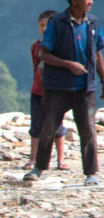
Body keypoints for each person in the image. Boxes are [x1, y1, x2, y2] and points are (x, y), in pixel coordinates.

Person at [24, 0, 103, 185]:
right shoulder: (57, 23)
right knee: (48, 128)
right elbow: (44, 54)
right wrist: (68, 65)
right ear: (74, 1)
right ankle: (39, 168)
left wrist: (103, 79)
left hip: (85, 87)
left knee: (88, 130)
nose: (91, 1)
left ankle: (91, 173)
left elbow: (97, 53)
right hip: (57, 86)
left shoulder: (93, 22)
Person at [28, 10, 68, 171]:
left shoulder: (60, 47)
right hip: (37, 90)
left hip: (55, 91)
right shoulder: (36, 46)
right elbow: (35, 68)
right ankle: (33, 159)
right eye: (41, 25)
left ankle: (60, 160)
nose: (44, 28)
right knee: (36, 127)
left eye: (48, 25)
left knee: (57, 128)